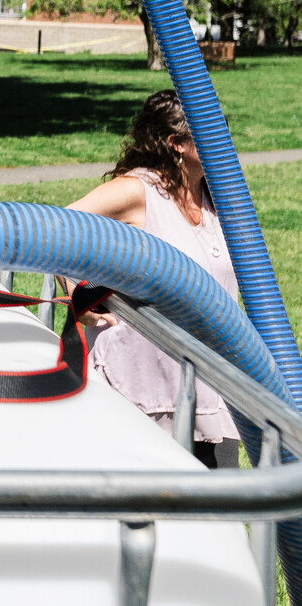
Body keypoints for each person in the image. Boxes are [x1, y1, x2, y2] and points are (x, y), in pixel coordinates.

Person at [67, 90, 239, 469]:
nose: (223, 141)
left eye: (225, 130)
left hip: (210, 389)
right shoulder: (139, 191)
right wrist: (83, 306)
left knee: (217, 515)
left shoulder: (220, 197)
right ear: (175, 143)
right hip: (141, 384)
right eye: (210, 132)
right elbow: (58, 230)